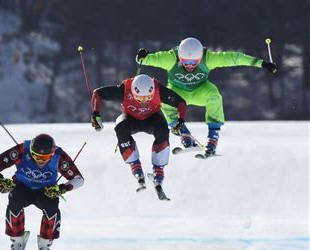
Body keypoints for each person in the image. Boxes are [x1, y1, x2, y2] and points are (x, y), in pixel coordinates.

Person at [136, 37, 278, 157]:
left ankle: (213, 137)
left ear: (200, 58)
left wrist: (263, 64)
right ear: (179, 57)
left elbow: (234, 58)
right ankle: (183, 133)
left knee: (214, 95)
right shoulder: (170, 58)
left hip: (200, 91)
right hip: (178, 93)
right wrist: (142, 56)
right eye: (186, 62)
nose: (190, 66)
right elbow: (146, 60)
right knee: (164, 98)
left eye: (194, 63)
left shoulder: (208, 58)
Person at [0, 134, 84, 250]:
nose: (41, 161)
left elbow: (79, 179)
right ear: (31, 152)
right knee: (14, 198)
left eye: (46, 158)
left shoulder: (59, 156)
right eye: (37, 157)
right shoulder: (22, 150)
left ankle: (45, 244)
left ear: (53, 153)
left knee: (52, 205)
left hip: (45, 191)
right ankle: (16, 241)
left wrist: (62, 188)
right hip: (22, 188)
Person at [91, 74, 188, 191]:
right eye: (140, 98)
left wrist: (181, 120)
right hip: (131, 118)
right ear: (133, 91)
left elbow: (181, 103)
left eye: (148, 98)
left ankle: (158, 169)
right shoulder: (123, 91)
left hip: (152, 118)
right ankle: (135, 165)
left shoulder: (158, 90)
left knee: (163, 130)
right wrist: (95, 114)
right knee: (120, 127)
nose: (144, 101)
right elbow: (97, 93)